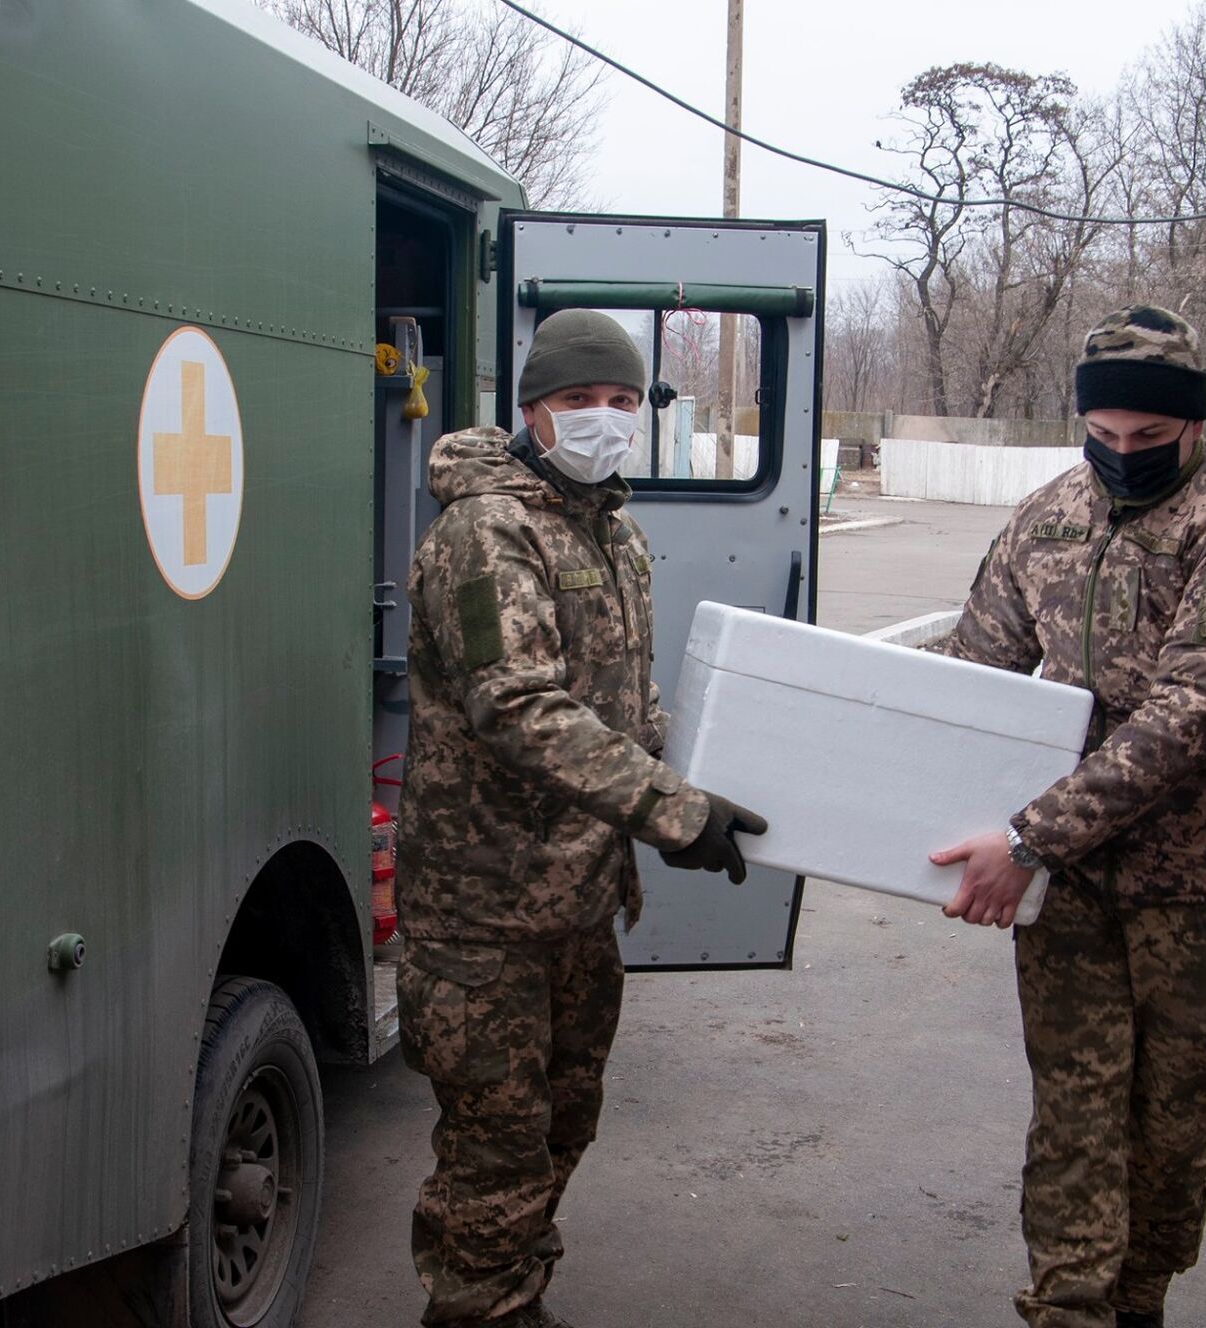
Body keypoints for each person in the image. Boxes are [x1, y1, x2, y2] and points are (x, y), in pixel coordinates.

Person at [928, 306, 1206, 1328]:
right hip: (1073, 883)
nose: (1121, 457)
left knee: (1165, 1112)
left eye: (1148, 439)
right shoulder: (1046, 515)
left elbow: (1184, 716)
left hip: (1198, 888)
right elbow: (974, 670)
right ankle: (1066, 1303)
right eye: (1101, 436)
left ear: (1191, 426)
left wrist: (1023, 838)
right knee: (1073, 1104)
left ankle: (1136, 1299)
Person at [394, 308, 767, 1328]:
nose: (602, 418)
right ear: (529, 408)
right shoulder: (487, 528)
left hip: (575, 895)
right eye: (575, 400)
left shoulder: (611, 525)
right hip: (484, 910)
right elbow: (514, 703)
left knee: (564, 1118)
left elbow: (622, 699)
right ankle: (478, 1308)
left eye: (618, 400)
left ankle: (510, 1285)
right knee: (496, 1141)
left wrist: (674, 796)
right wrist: (667, 807)